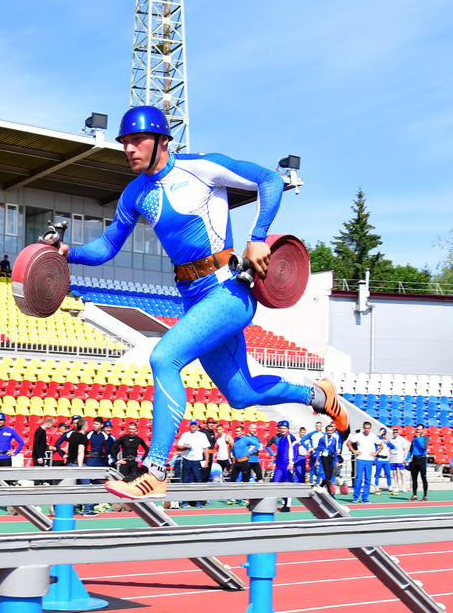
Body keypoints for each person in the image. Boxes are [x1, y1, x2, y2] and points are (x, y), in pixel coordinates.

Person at [55, 105, 347, 502]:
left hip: (228, 291)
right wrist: (66, 253)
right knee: (242, 394)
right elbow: (107, 246)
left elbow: (271, 181)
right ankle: (318, 395)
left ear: (161, 140)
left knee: (164, 358)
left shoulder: (201, 168)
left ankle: (156, 469)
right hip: (193, 299)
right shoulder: (134, 193)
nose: (128, 149)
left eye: (136, 140)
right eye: (124, 142)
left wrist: (258, 235)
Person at [266, 420, 300, 511]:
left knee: (287, 484)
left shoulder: (291, 438)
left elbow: (296, 450)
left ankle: (287, 505)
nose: (282, 430)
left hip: (287, 465)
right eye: (280, 428)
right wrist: (275, 462)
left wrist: (292, 462)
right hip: (279, 465)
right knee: (275, 483)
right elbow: (279, 452)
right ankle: (272, 503)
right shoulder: (280, 438)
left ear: (288, 429)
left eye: (284, 428)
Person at [176, 420, 211, 507]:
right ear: (189, 425)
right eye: (192, 424)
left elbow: (206, 449)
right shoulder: (185, 435)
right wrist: (185, 447)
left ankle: (198, 501)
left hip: (197, 460)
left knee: (198, 481)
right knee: (186, 481)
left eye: (195, 424)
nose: (193, 426)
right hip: (187, 460)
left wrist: (206, 461)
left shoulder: (202, 435)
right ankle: (185, 501)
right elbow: (179, 447)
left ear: (197, 425)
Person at [347, 421, 380, 504]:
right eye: (365, 428)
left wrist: (376, 453)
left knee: (368, 479)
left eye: (368, 428)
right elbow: (348, 443)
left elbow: (381, 445)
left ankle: (365, 497)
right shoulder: (358, 435)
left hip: (369, 459)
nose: (366, 430)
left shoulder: (373, 436)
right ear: (363, 428)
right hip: (360, 459)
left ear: (370, 428)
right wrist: (354, 451)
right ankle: (356, 497)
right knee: (359, 478)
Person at [408, 424, 430, 501]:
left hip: (422, 459)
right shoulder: (414, 438)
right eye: (417, 429)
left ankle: (425, 495)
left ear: (423, 430)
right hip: (415, 459)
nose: (418, 431)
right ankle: (414, 495)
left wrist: (418, 438)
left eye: (419, 429)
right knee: (414, 478)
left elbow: (423, 447)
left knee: (423, 478)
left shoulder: (426, 438)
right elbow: (411, 450)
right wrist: (406, 459)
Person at [388, 426, 409, 495]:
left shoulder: (402, 440)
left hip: (400, 458)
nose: (395, 433)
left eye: (396, 432)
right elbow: (389, 449)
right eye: (394, 432)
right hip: (393, 458)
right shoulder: (391, 440)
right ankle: (396, 486)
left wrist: (405, 458)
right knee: (394, 473)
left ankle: (403, 487)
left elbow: (405, 449)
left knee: (402, 472)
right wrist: (388, 457)